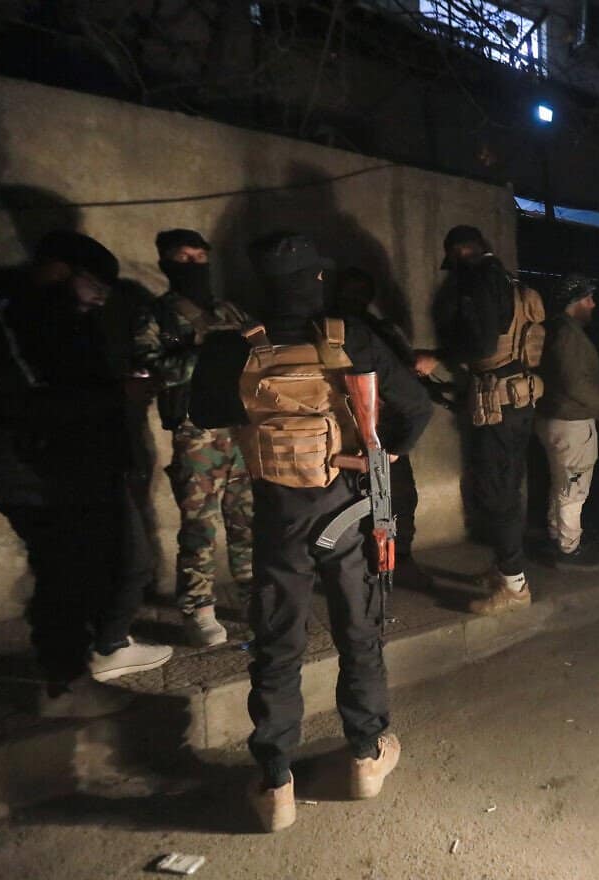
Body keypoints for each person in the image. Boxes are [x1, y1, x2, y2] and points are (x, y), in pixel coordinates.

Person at [195, 232, 432, 831]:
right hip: (348, 510)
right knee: (359, 631)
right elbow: (417, 407)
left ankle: (275, 782)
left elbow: (199, 411)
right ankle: (366, 755)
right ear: (318, 281)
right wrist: (389, 454)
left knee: (278, 642)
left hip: (278, 516)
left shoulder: (236, 346)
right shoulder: (350, 338)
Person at [0, 231, 172, 717]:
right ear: (63, 269)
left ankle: (88, 660)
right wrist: (119, 396)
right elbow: (16, 401)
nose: (98, 299)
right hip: (32, 470)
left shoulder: (55, 314)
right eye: (95, 286)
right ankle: (63, 685)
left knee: (88, 566)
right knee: (63, 572)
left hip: (71, 466)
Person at [416, 225, 545, 615]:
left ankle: (514, 587)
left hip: (500, 404)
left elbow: (483, 344)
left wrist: (437, 357)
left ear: (459, 252)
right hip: (518, 397)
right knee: (506, 485)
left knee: (496, 491)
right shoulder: (506, 279)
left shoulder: (481, 281)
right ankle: (507, 569)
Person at [133, 229, 253, 646]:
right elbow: (148, 367)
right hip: (196, 431)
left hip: (241, 427)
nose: (194, 265)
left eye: (200, 257)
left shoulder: (230, 311)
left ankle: (253, 597)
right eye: (183, 258)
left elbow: (262, 351)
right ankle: (198, 608)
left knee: (248, 519)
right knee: (200, 524)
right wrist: (203, 356)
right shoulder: (157, 315)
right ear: (166, 263)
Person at [334, 267, 432, 591]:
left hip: (384, 429)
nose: (356, 298)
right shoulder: (334, 330)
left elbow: (406, 373)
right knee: (355, 505)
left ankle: (396, 561)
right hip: (346, 430)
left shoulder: (380, 330)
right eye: (351, 290)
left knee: (398, 500)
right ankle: (366, 567)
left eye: (362, 291)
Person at [534, 273, 599, 571]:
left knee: (560, 482)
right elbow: (576, 384)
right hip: (571, 421)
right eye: (588, 298)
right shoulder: (568, 335)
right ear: (575, 302)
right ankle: (569, 548)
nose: (593, 304)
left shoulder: (555, 330)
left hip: (553, 418)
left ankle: (558, 536)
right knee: (574, 487)